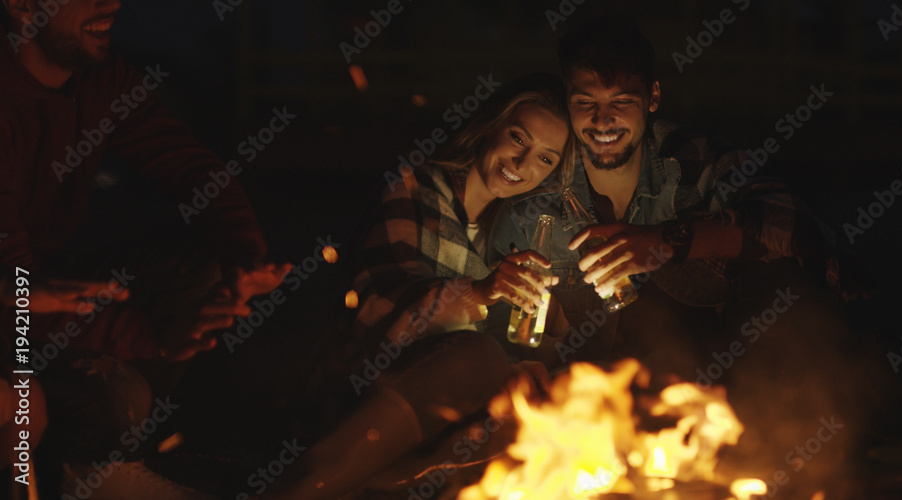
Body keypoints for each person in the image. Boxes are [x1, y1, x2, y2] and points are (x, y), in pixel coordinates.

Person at [487, 18, 869, 492]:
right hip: (590, 418)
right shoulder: (535, 201)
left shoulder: (690, 159)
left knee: (784, 286)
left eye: (621, 103)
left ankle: (803, 447)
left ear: (652, 98)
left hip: (711, 397)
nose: (602, 121)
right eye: (586, 103)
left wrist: (666, 242)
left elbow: (802, 230)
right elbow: (501, 334)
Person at [0, 0, 289, 497]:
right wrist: (148, 338)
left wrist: (243, 259)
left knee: (200, 271)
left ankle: (113, 445)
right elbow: (18, 295)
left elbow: (189, 168)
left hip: (30, 297)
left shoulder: (101, 80)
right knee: (115, 400)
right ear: (23, 7)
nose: (109, 3)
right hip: (12, 319)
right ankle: (76, 464)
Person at [264, 73, 572, 499]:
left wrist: (546, 330)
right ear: (490, 126)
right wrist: (480, 293)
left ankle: (384, 485)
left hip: (449, 416)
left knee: (542, 399)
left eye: (545, 159)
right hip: (358, 391)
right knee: (479, 356)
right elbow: (378, 314)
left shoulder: (511, 233)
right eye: (519, 139)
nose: (522, 164)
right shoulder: (414, 188)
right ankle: (300, 489)